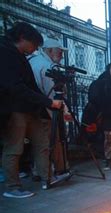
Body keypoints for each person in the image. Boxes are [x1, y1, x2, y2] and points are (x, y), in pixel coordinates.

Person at [0, 22, 63, 198]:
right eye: (34, 44)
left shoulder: (21, 56)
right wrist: (47, 102)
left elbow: (31, 85)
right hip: (13, 108)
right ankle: (12, 187)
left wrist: (45, 103)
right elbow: (15, 86)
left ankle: (47, 177)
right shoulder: (5, 52)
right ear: (22, 38)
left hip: (30, 108)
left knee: (43, 143)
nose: (35, 49)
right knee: (14, 147)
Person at [29, 38, 72, 181]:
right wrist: (65, 110)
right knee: (51, 140)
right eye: (59, 52)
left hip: (34, 107)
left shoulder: (33, 61)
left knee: (40, 141)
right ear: (49, 51)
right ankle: (52, 172)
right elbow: (53, 94)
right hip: (46, 108)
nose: (61, 55)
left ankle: (39, 170)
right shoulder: (46, 66)